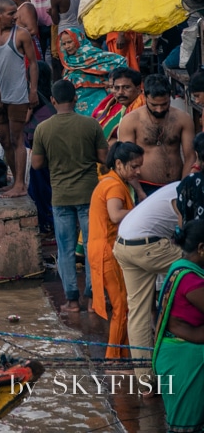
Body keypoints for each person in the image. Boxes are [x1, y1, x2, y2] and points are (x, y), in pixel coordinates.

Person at [32, 79, 109, 314]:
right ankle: (93, 298)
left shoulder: (43, 128)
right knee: (91, 247)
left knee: (65, 249)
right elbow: (104, 158)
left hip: (61, 196)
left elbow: (36, 164)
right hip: (89, 194)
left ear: (53, 101)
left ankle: (72, 302)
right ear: (75, 98)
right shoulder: (91, 124)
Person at [113, 180, 184, 379]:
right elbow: (186, 231)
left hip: (123, 245)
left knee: (138, 312)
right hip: (146, 246)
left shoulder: (175, 187)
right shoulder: (190, 189)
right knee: (195, 266)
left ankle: (145, 381)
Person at [0, 0, 39, 198]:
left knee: (17, 139)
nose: (15, 17)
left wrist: (33, 91)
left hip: (18, 95)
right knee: (4, 140)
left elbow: (33, 63)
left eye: (15, 13)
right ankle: (14, 179)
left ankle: (20, 184)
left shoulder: (21, 35)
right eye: (11, 13)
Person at [88, 141, 144, 359]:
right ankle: (113, 358)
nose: (138, 171)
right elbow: (115, 215)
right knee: (122, 306)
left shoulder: (111, 180)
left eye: (140, 166)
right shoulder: (113, 185)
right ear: (119, 164)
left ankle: (125, 352)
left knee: (124, 305)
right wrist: (140, 211)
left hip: (104, 249)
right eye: (134, 167)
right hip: (106, 252)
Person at [152, 218, 204, 429]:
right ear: (201, 248)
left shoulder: (177, 269)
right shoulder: (192, 281)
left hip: (175, 354)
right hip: (185, 360)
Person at [118, 75, 197, 193]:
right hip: (144, 186)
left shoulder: (183, 119)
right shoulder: (131, 121)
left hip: (176, 184)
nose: (159, 109)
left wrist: (183, 186)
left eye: (164, 104)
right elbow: (126, 160)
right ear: (145, 97)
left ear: (170, 97)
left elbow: (190, 156)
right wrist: (139, 191)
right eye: (154, 105)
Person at [59, 29, 128, 115]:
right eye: (64, 44)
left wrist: (112, 82)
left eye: (70, 42)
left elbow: (120, 61)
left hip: (98, 98)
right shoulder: (67, 62)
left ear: (79, 40)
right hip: (78, 104)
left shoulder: (91, 54)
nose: (67, 46)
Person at [92, 67, 144, 140]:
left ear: (138, 88)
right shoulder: (119, 104)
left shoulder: (143, 106)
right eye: (116, 88)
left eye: (126, 87)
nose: (120, 92)